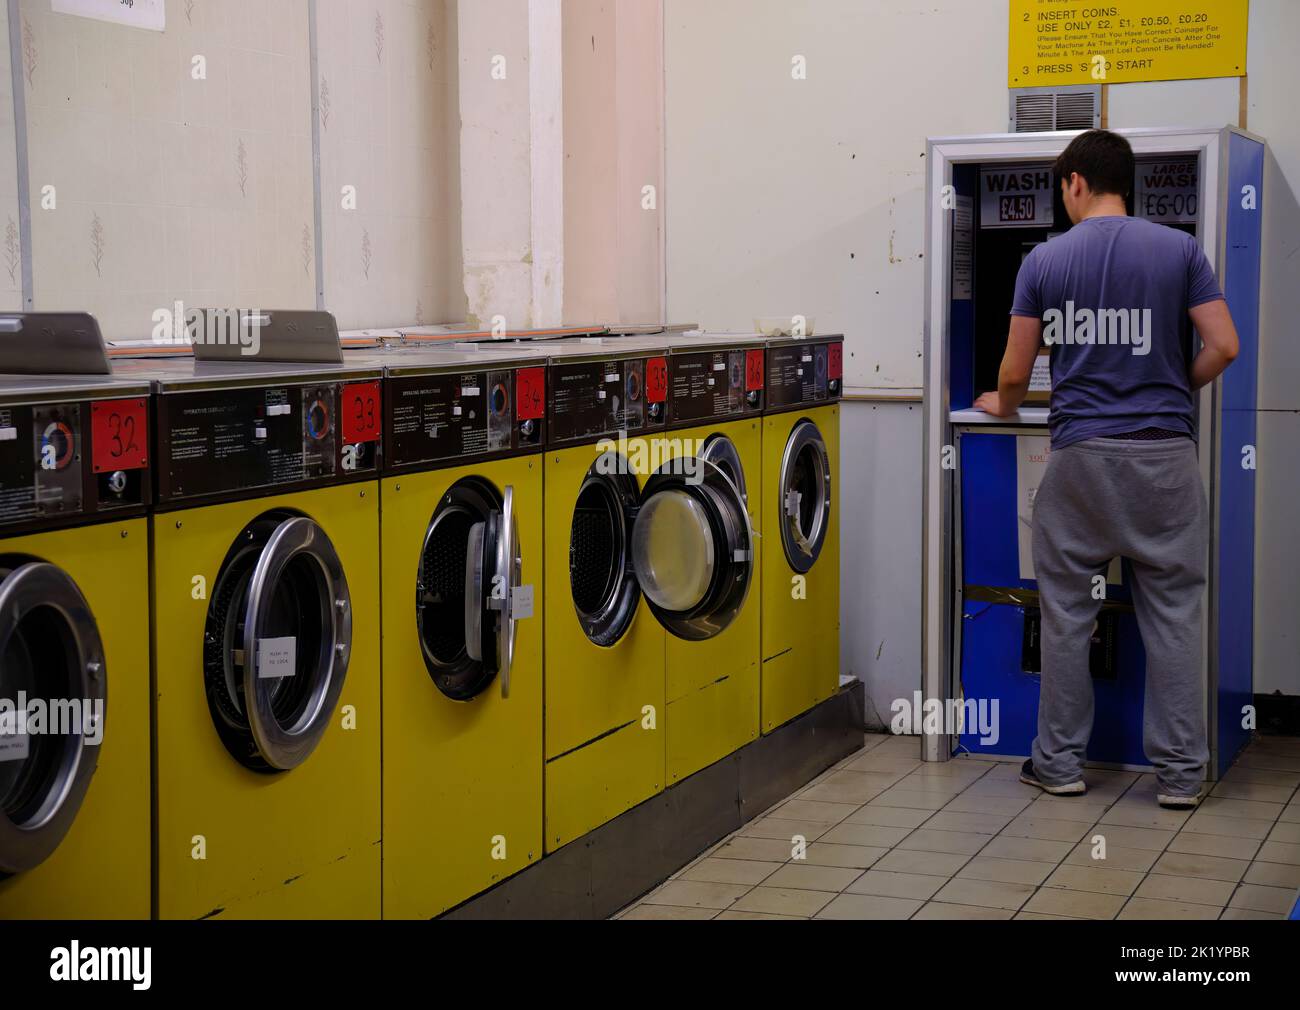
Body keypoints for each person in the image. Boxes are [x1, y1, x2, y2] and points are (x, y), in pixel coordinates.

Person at [975, 129, 1240, 809]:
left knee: (1066, 615)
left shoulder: (1045, 261)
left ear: (1074, 184)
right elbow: (1225, 345)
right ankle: (1181, 777)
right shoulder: (1180, 250)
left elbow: (1012, 372)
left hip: (1081, 463)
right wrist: (1173, 387)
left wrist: (999, 404)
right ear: (1130, 182)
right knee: (1176, 615)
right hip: (1167, 463)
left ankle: (1058, 765)